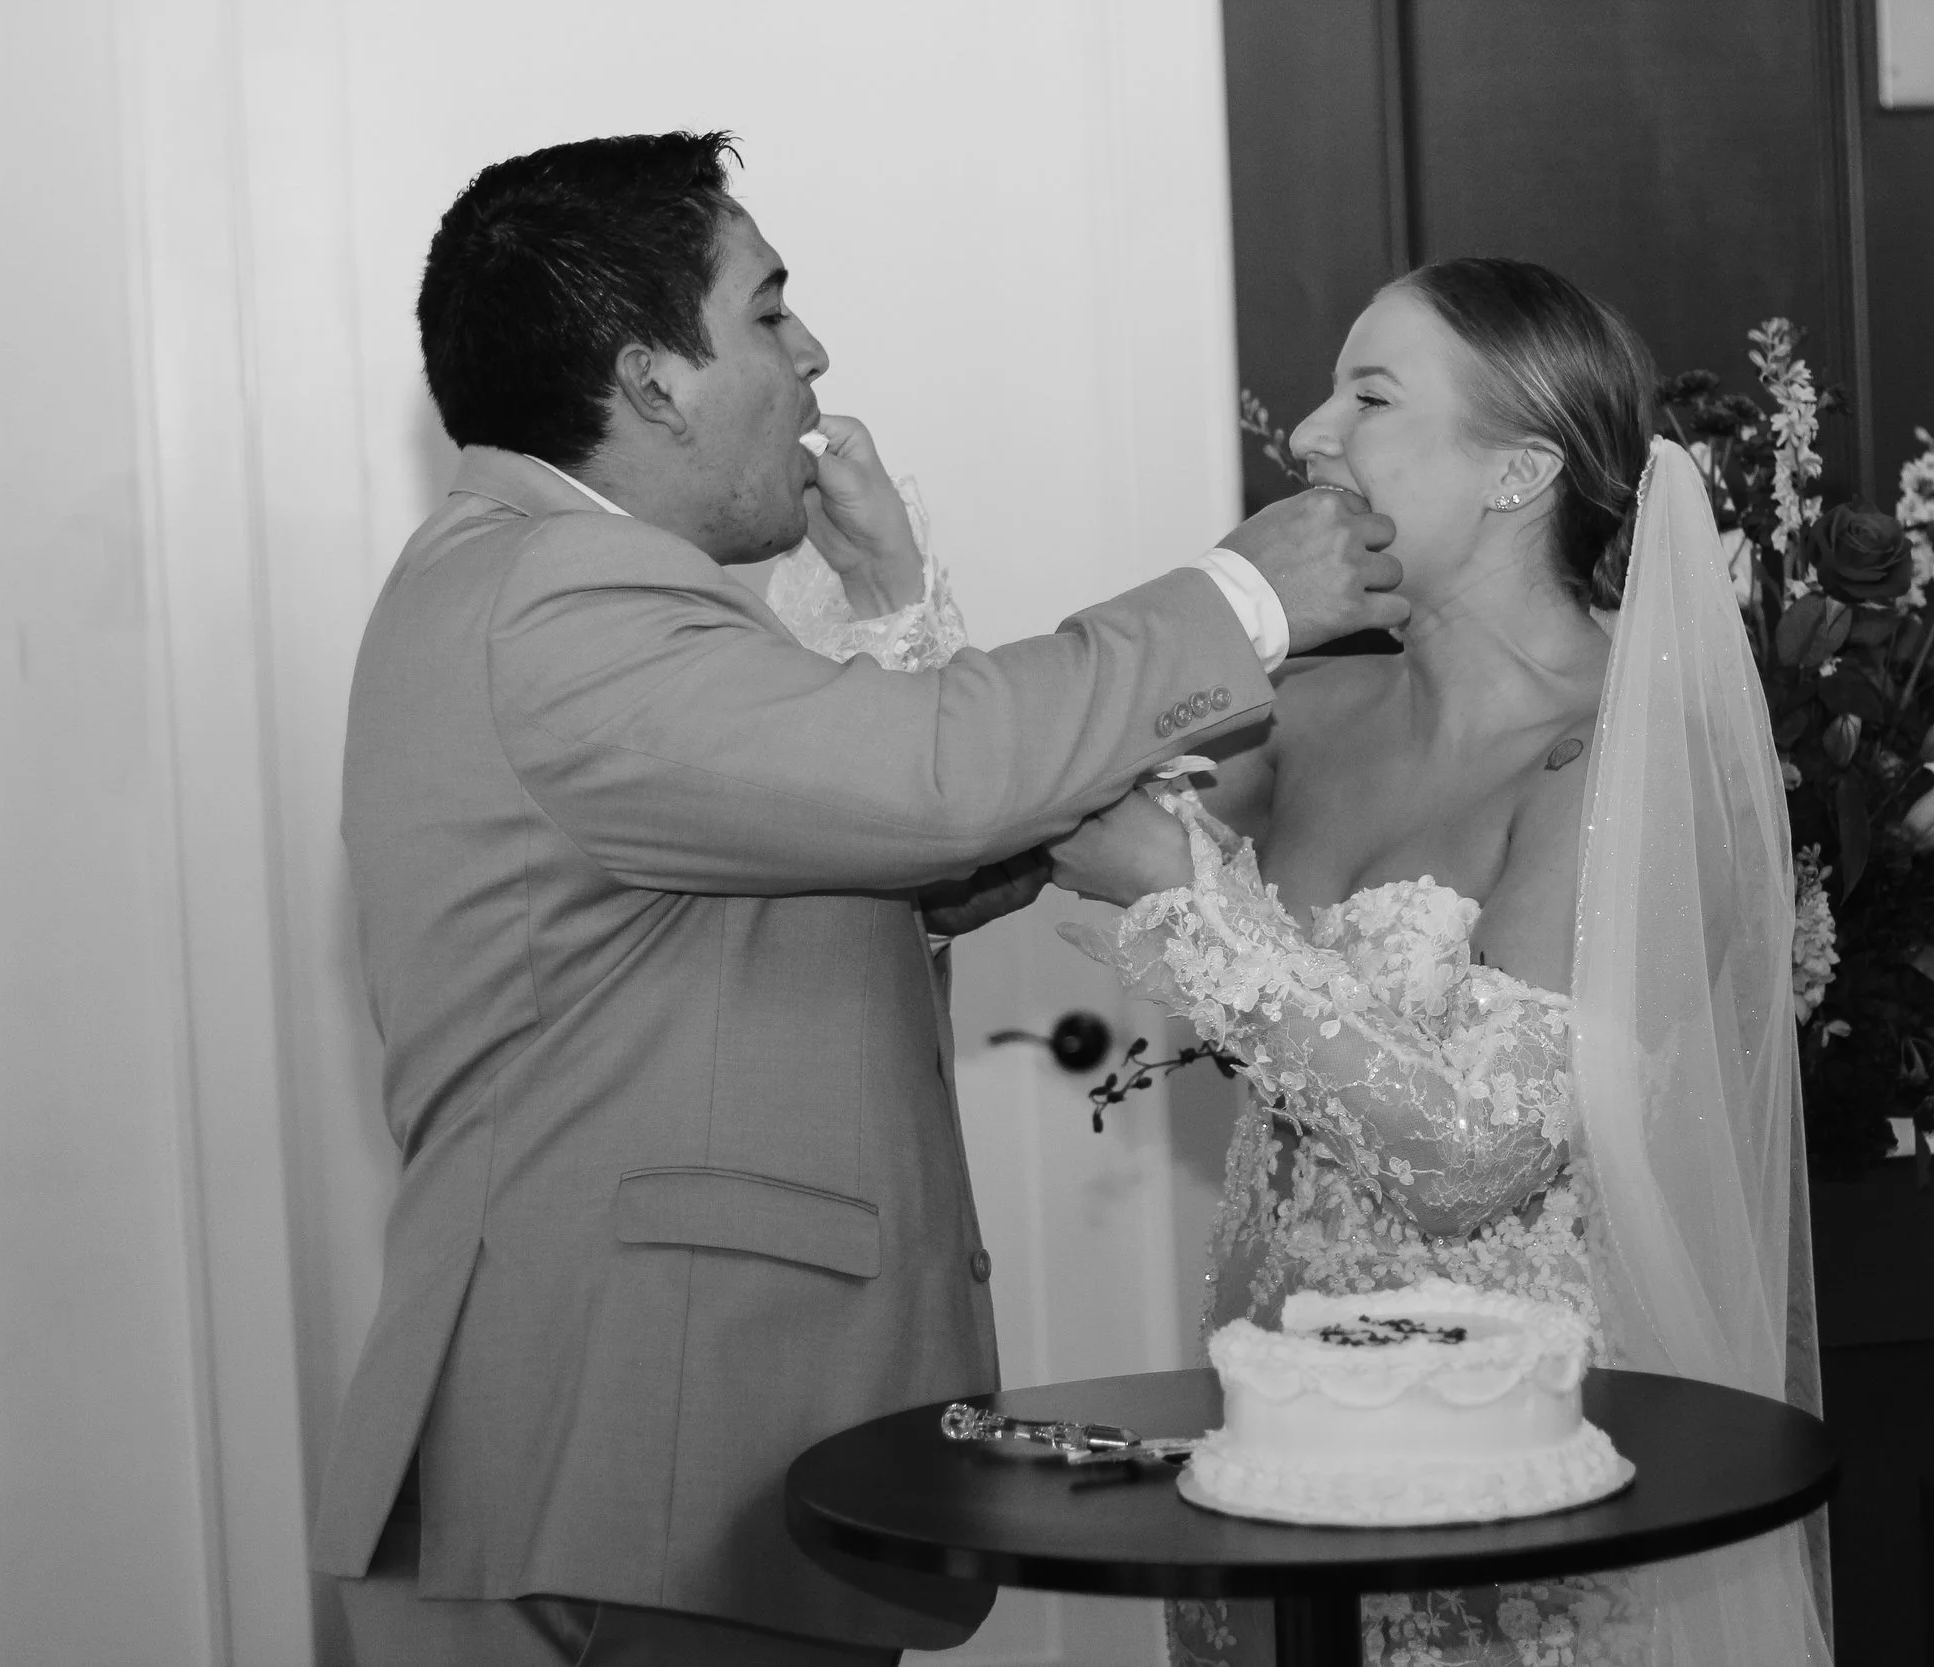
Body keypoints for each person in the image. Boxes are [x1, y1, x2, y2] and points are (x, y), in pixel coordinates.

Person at [312, 130, 1406, 1667]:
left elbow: (819, 856)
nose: (811, 347)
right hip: (637, 1469)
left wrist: (966, 717)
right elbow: (927, 775)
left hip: (635, 1467)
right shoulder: (563, 594)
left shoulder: (533, 581)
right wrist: (1243, 595)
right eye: (765, 310)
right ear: (651, 379)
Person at [1060, 258, 1830, 1665]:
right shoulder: (1307, 707)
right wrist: (886, 594)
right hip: (1270, 1454)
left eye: (1368, 395)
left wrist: (1186, 901)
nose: (1306, 434)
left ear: (1518, 470)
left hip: (1502, 1477)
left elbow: (1480, 1150)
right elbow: (1036, 800)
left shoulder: (1623, 753)